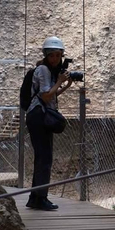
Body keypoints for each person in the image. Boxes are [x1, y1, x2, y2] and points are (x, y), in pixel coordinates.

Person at [25, 36, 74, 211]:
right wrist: (60, 81)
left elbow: (49, 96)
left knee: (42, 158)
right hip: (39, 116)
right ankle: (41, 198)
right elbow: (45, 96)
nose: (55, 59)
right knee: (45, 159)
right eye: (52, 55)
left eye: (57, 56)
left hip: (38, 114)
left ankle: (35, 198)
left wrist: (65, 85)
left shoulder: (47, 70)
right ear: (46, 55)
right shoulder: (44, 70)